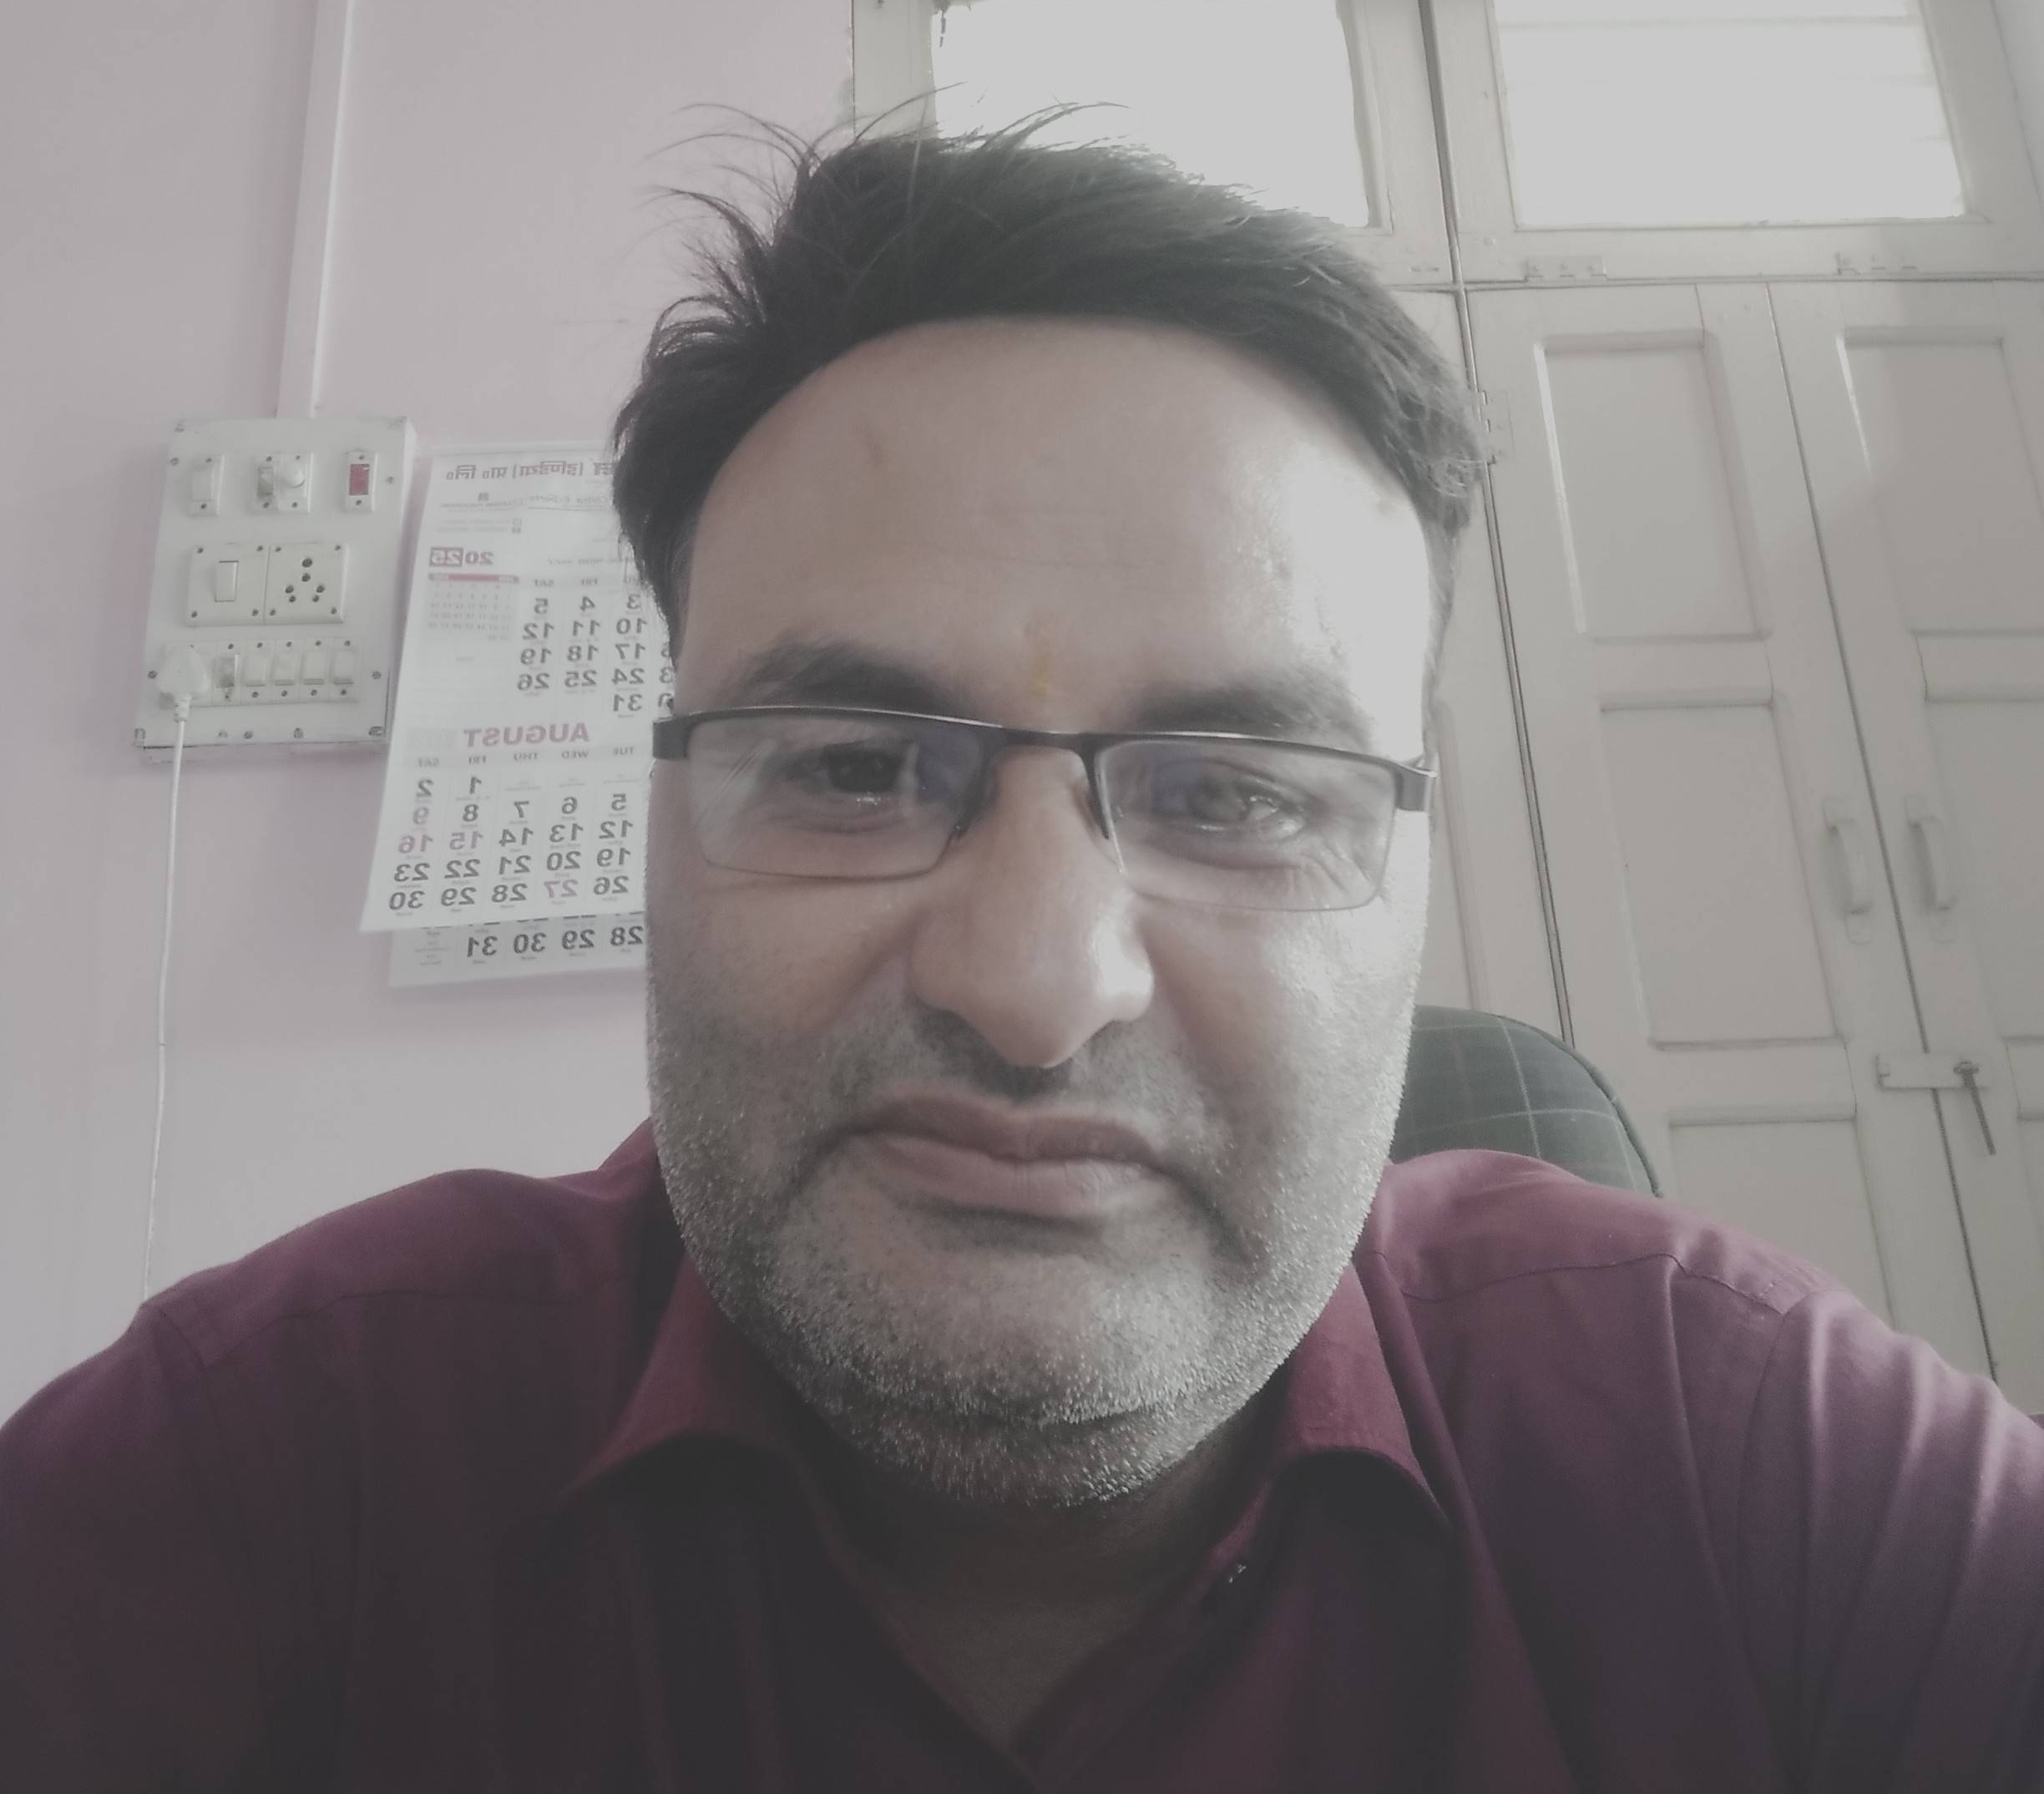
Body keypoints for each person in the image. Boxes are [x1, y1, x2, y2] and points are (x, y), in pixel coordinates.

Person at [3, 117, 2041, 1792]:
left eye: (1233, 792)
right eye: (852, 765)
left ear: (1412, 867)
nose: (1038, 985)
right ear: (662, 826)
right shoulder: (267, 1471)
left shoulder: (1759, 1459)